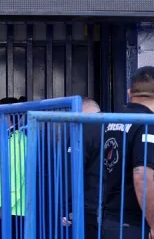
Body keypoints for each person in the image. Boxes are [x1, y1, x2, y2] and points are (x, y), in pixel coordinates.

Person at [101, 66, 154, 239]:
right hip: (134, 227)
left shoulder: (111, 122)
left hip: (110, 222)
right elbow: (142, 177)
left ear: (130, 93)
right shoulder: (148, 125)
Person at [0, 97, 27, 239]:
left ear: (7, 115)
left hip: (13, 209)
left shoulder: (17, 140)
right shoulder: (9, 138)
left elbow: (16, 175)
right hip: (7, 208)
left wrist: (6, 204)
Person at [63, 97, 103, 239]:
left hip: (88, 208)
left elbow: (72, 172)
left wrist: (68, 209)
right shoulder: (117, 127)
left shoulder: (81, 131)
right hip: (116, 210)